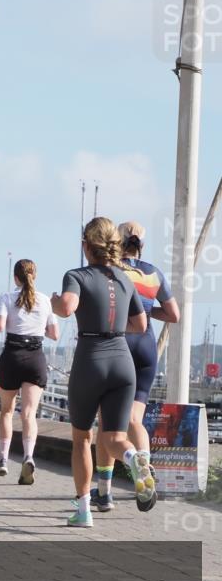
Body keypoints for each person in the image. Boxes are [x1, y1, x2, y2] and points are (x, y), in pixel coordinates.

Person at [51, 217, 151, 528]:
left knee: (83, 438)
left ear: (86, 246)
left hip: (91, 358)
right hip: (123, 361)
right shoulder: (125, 279)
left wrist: (54, 302)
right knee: (115, 437)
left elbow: (67, 307)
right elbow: (141, 325)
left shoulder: (76, 275)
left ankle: (83, 511)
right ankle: (136, 460)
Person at [90, 222, 180, 511]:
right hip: (146, 347)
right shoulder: (153, 272)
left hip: (118, 345)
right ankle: (145, 467)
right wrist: (146, 308)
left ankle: (104, 493)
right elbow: (173, 314)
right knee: (134, 421)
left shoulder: (110, 271)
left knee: (107, 423)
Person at [0, 259, 59, 484]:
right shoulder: (45, 300)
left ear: (15, 277)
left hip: (12, 356)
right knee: (29, 414)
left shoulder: (7, 298)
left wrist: (2, 320)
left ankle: (2, 459)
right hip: (35, 357)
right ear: (34, 276)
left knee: (7, 412)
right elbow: (54, 334)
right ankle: (29, 456)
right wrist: (38, 328)